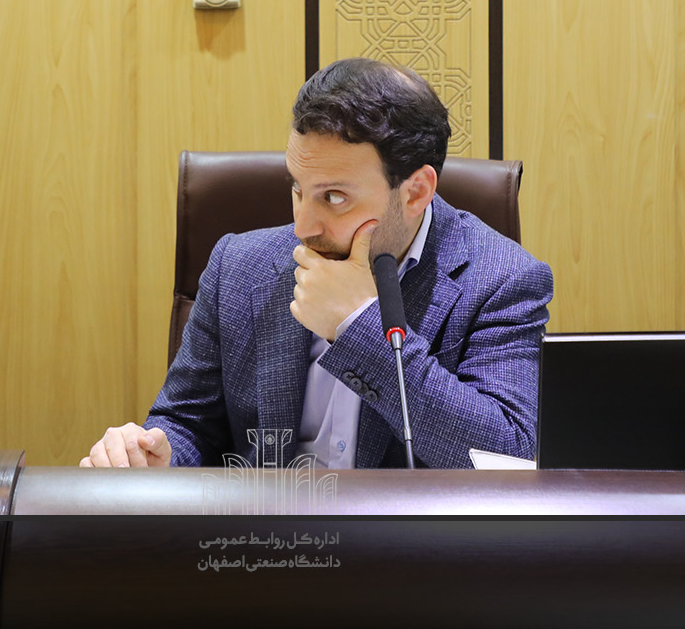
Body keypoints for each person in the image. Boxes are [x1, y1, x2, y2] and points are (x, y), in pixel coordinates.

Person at [83, 58, 553, 469]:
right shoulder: (237, 266)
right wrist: (157, 456)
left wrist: (358, 326)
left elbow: (506, 456)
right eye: (297, 189)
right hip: (265, 533)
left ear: (415, 193)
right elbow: (188, 425)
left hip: (405, 538)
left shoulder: (503, 280)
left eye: (334, 197)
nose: (304, 226)